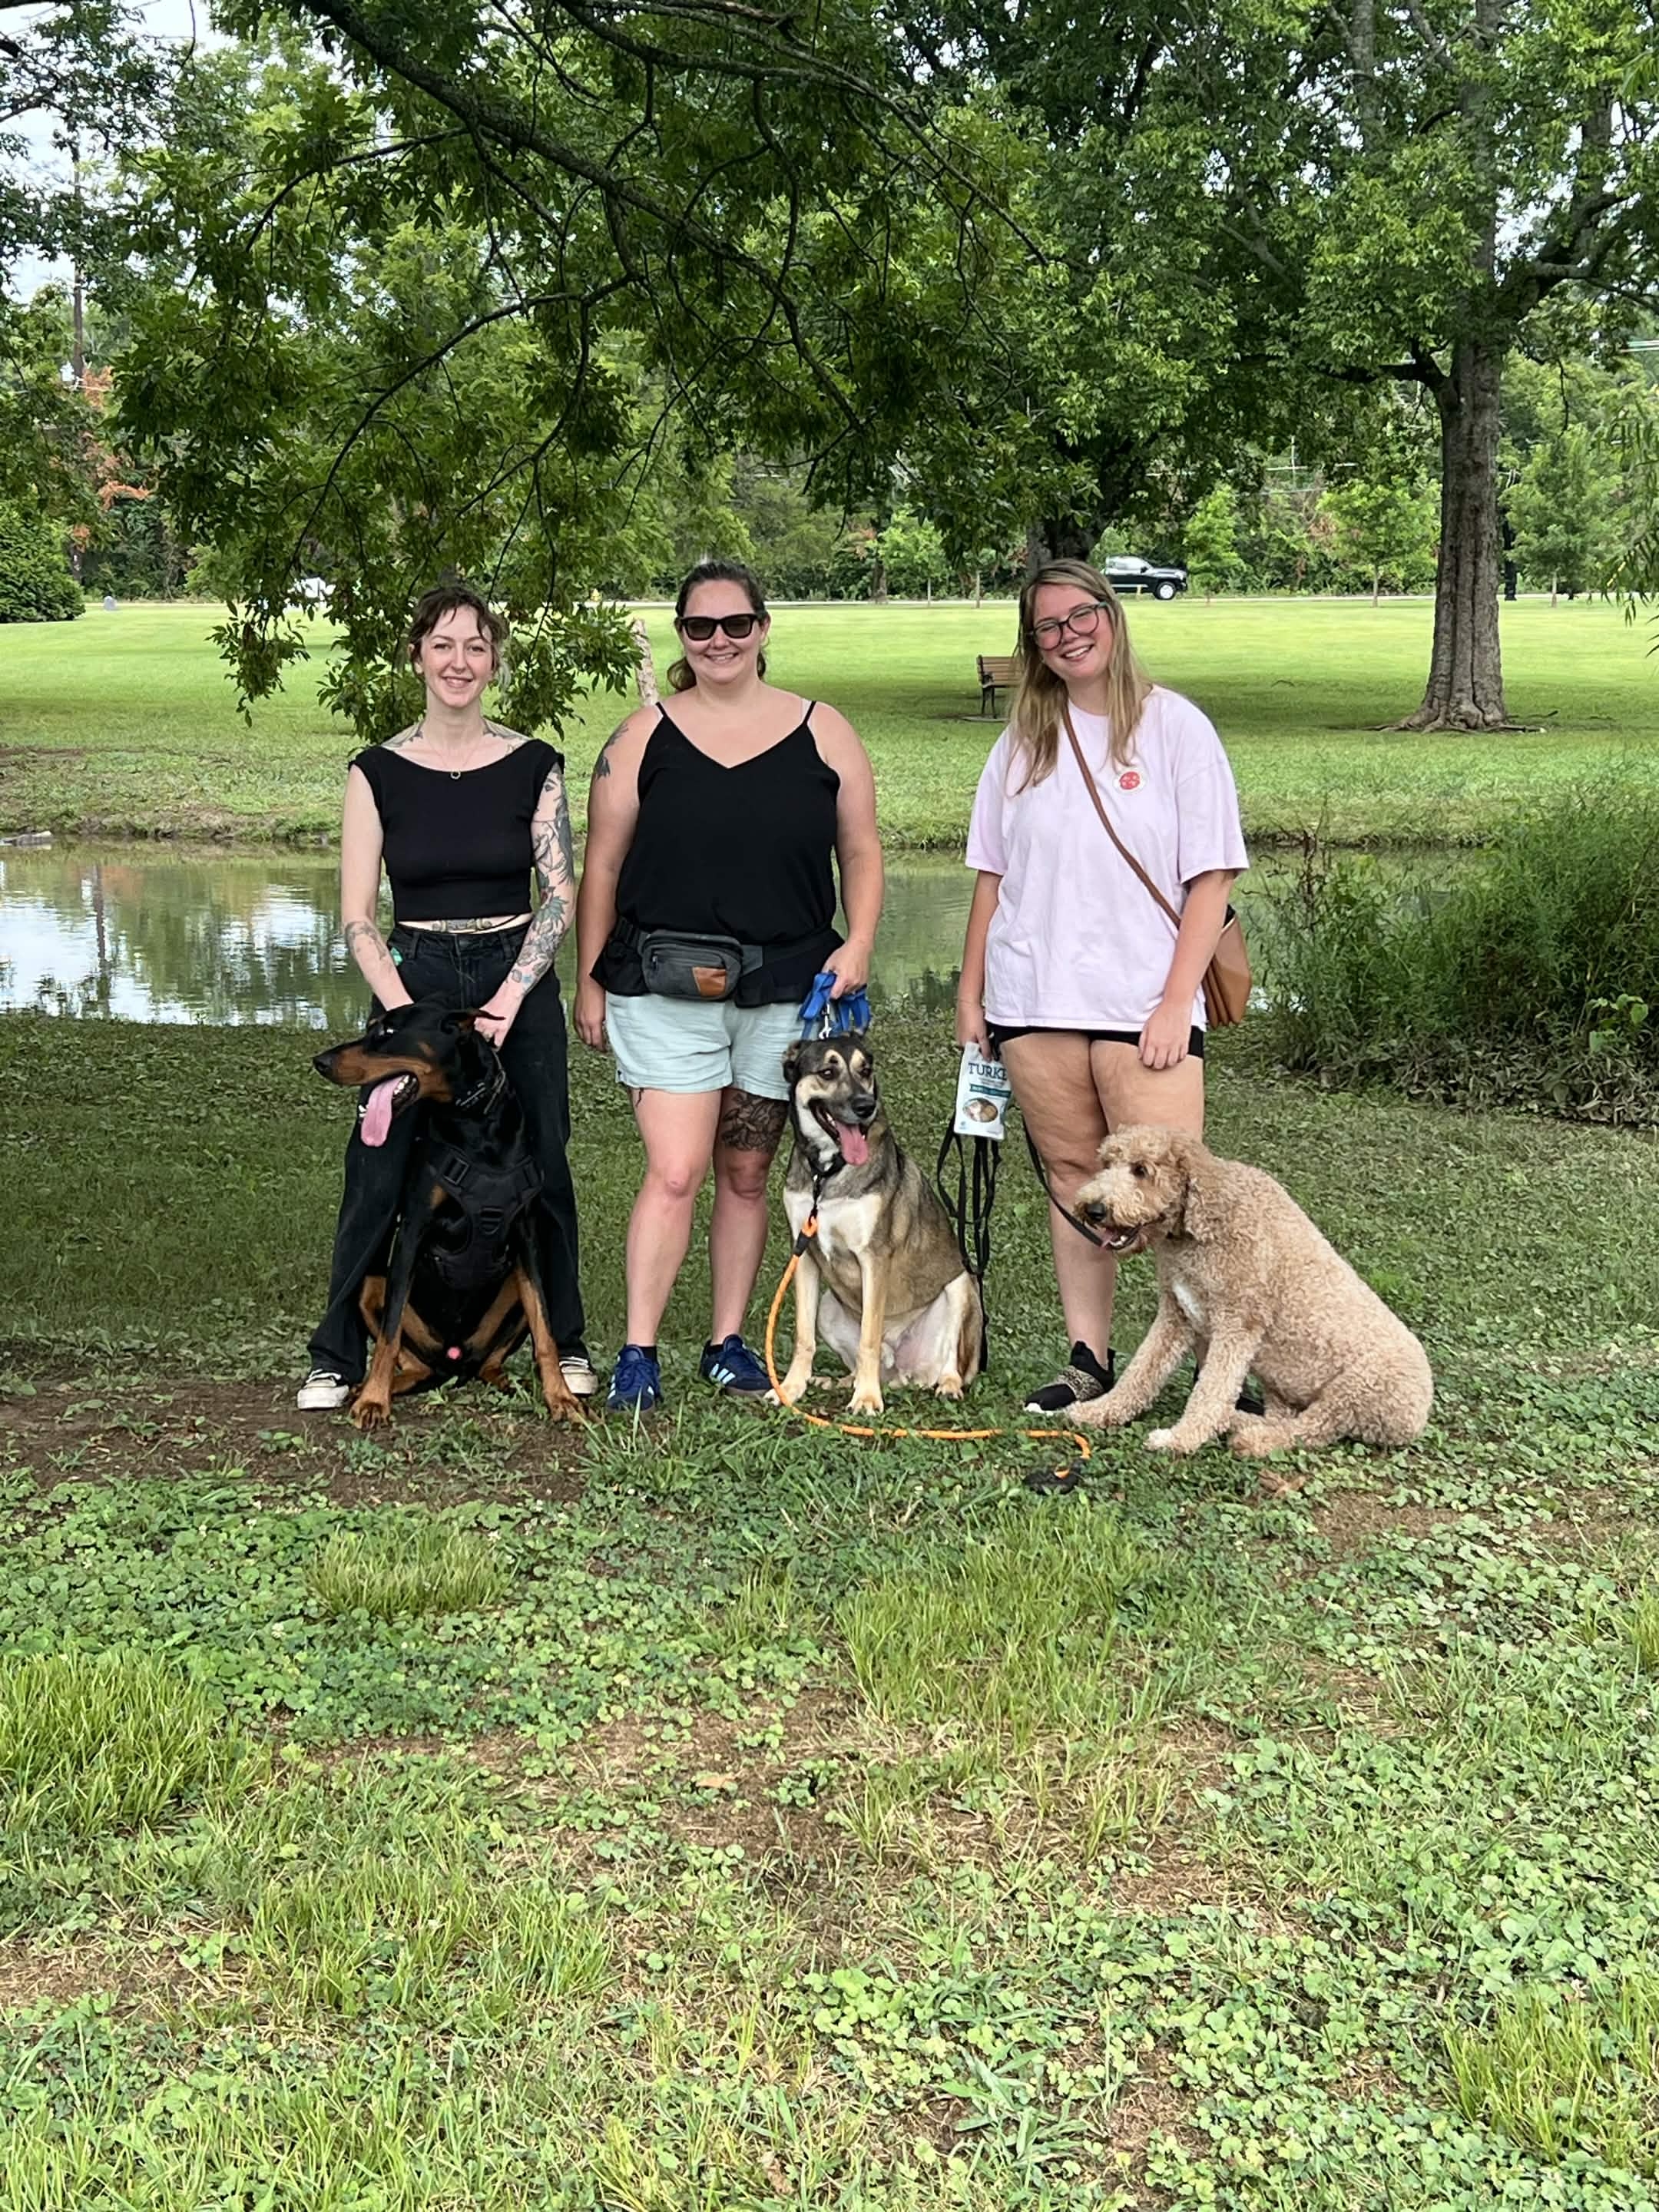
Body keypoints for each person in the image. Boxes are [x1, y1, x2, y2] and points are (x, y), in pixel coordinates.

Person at [575, 558, 883, 1412]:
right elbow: (601, 868)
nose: (719, 641)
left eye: (736, 624)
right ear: (682, 635)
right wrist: (590, 980)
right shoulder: (640, 738)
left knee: (747, 1173)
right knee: (675, 1172)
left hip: (785, 990)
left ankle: (727, 1341)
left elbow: (860, 848)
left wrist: (859, 940)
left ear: (763, 628)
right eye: (700, 627)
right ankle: (638, 1352)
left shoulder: (824, 731)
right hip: (661, 986)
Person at [956, 557, 1247, 1414]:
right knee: (1075, 1178)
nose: (1068, 635)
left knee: (1176, 1195)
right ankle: (1089, 1357)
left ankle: (1216, 1368)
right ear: (1034, 645)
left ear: (1111, 617)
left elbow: (1212, 877)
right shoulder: (1021, 742)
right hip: (1033, 997)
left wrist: (1175, 1001)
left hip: (1142, 1001)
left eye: (1080, 615)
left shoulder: (1176, 728)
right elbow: (991, 876)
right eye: (1047, 626)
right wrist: (972, 993)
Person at [297, 580, 591, 1409]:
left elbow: (560, 894)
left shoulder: (535, 765)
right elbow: (358, 913)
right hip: (414, 973)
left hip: (514, 967)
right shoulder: (377, 771)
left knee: (544, 1157)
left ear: (493, 662)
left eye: (476, 646)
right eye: (443, 645)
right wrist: (401, 1013)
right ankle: (337, 1353)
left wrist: (508, 999)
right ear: (418, 656)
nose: (459, 662)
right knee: (379, 1160)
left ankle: (566, 1341)